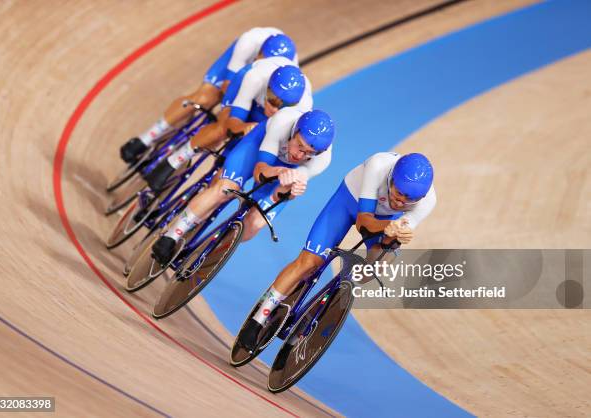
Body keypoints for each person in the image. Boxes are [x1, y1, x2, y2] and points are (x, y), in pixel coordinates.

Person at [237, 152, 436, 350]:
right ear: (391, 178)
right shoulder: (378, 165)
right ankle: (259, 316)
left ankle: (321, 309)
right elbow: (363, 223)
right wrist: (388, 226)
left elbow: (395, 234)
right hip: (349, 202)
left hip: (385, 222)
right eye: (398, 193)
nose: (401, 202)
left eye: (409, 200)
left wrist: (398, 232)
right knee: (310, 261)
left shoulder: (427, 202)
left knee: (375, 268)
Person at [150, 109, 336, 265]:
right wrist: (279, 172)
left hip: (284, 173)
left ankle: (205, 257)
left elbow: (285, 192)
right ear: (294, 131)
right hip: (257, 150)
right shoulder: (282, 122)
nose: (300, 155)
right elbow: (260, 171)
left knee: (254, 224)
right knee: (224, 189)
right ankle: (173, 235)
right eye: (299, 146)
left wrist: (293, 190)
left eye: (309, 153)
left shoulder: (323, 160)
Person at [119, 28, 297, 164]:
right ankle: (147, 137)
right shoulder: (250, 41)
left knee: (222, 131)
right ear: (258, 53)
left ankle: (178, 163)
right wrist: (228, 110)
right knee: (205, 97)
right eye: (261, 59)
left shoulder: (287, 75)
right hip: (236, 69)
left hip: (261, 88)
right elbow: (228, 85)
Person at [143, 60, 312, 191]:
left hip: (270, 122)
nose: (274, 108)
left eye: (281, 106)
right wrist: (242, 127)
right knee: (223, 128)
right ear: (267, 87)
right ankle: (174, 160)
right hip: (245, 92)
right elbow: (234, 122)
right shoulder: (255, 78)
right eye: (272, 100)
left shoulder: (301, 112)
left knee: (230, 172)